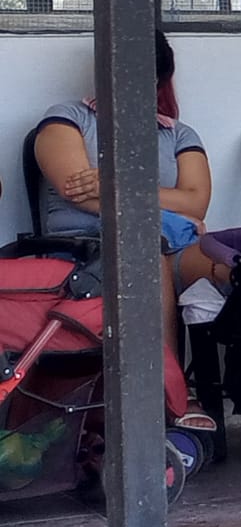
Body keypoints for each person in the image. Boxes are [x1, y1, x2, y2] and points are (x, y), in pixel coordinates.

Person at [32, 30, 217, 433]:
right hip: (87, 251)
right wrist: (164, 204)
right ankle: (170, 395)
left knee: (234, 262)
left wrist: (115, 184)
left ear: (157, 80)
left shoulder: (177, 133)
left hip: (171, 243)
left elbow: (196, 202)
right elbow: (77, 191)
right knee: (145, 250)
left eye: (142, 73)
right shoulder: (67, 118)